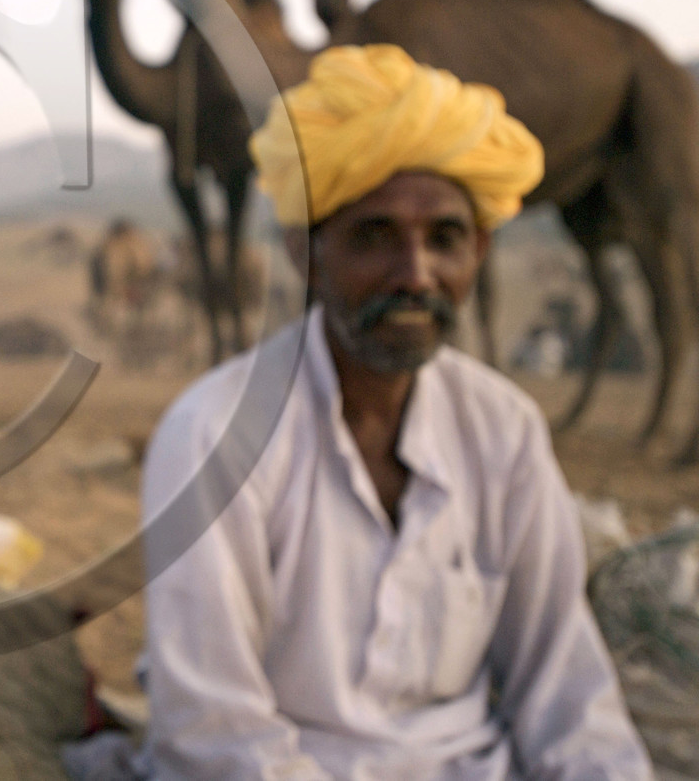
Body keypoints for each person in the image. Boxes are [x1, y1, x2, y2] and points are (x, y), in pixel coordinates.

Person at [138, 45, 651, 779]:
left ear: (478, 250)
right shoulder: (213, 434)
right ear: (307, 253)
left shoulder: (503, 430)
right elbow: (214, 731)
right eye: (375, 237)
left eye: (443, 238)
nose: (415, 274)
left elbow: (564, 690)